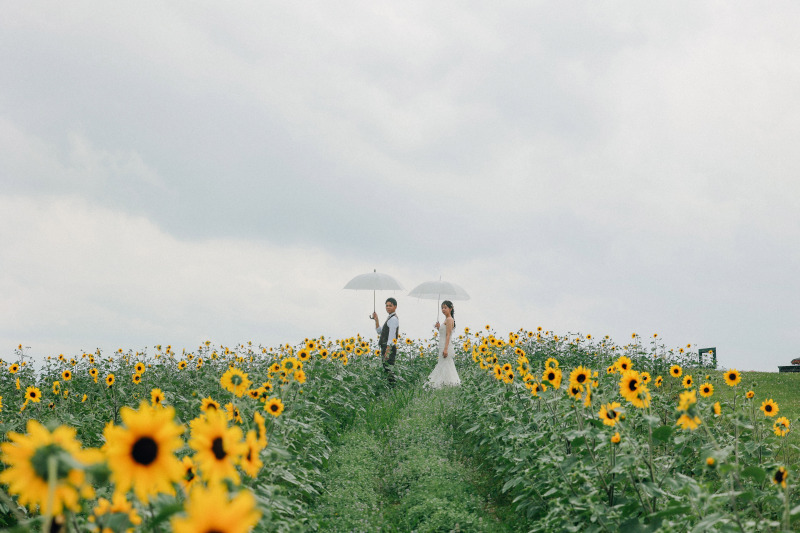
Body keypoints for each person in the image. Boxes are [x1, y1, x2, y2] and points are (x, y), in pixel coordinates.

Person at [426, 300, 460, 388]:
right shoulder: (446, 319)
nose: (443, 310)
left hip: (445, 345)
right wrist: (438, 327)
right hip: (442, 344)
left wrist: (445, 349)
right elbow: (443, 333)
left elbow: (448, 335)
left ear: (450, 308)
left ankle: (444, 384)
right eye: (442, 308)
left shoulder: (449, 319)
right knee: (444, 364)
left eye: (445, 308)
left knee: (445, 364)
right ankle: (446, 383)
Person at [372, 298, 399, 384]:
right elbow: (379, 331)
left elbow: (392, 336)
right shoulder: (390, 318)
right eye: (386, 306)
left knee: (389, 369)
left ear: (395, 306)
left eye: (390, 305)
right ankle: (391, 388)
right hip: (386, 347)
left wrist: (387, 351)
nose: (388, 307)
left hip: (388, 348)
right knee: (387, 369)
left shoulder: (393, 319)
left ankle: (393, 388)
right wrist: (376, 320)